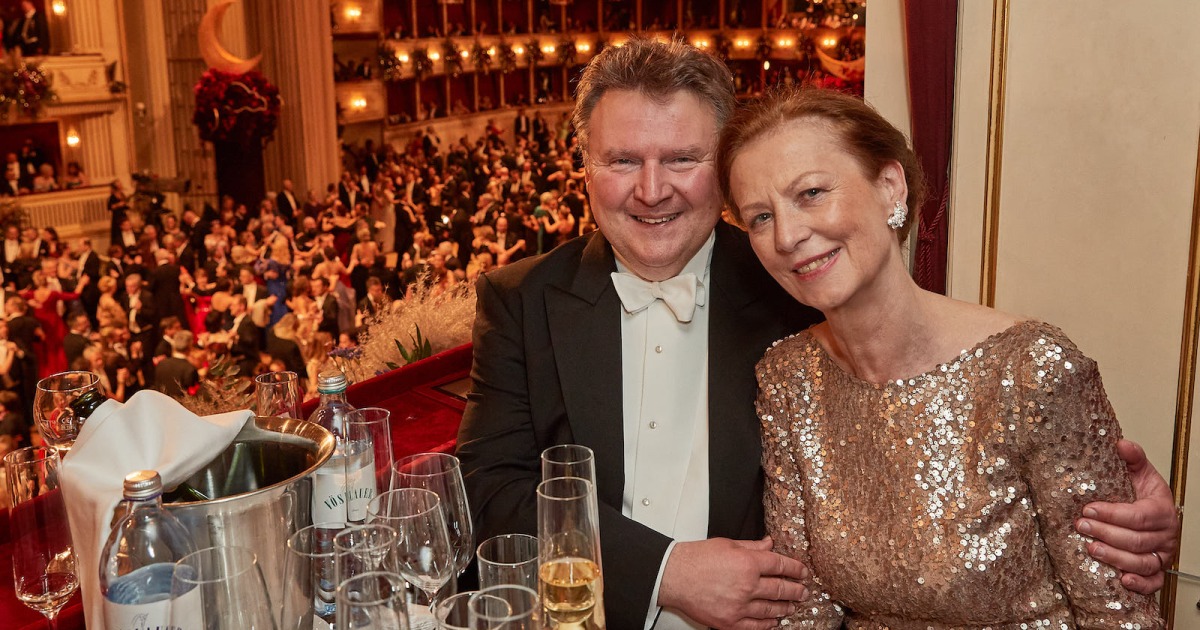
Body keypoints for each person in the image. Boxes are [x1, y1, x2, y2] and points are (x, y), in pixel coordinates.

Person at [455, 38, 1179, 630]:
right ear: (583, 166)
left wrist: (1121, 521)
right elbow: (489, 491)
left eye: (682, 159)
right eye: (621, 160)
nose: (652, 189)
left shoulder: (798, 286)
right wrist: (665, 571)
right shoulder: (521, 300)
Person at [720, 86, 1166, 628]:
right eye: (760, 218)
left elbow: (1117, 612)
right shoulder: (789, 378)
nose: (787, 236)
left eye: (811, 192)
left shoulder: (1032, 368)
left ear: (890, 187)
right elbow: (804, 605)